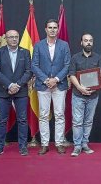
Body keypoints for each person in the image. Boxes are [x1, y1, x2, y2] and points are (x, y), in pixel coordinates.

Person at [32, 19, 71, 155]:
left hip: (59, 85)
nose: (53, 30)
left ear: (58, 29)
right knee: (43, 115)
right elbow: (34, 65)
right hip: (43, 85)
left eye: (55, 27)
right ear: (45, 29)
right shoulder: (38, 45)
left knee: (59, 115)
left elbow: (67, 65)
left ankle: (59, 143)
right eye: (50, 27)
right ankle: (44, 144)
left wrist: (56, 79)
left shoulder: (64, 45)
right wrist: (46, 79)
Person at [0, 30, 32, 157]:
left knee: (23, 120)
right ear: (6, 39)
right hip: (4, 91)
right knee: (2, 120)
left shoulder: (25, 52)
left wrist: (18, 85)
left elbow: (29, 71)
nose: (14, 39)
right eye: (11, 37)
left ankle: (23, 147)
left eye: (16, 37)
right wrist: (9, 85)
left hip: (21, 91)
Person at [68, 33, 101, 157]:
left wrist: (93, 89)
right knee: (77, 121)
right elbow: (71, 75)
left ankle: (84, 144)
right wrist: (80, 88)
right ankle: (77, 146)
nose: (88, 43)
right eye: (86, 40)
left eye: (90, 41)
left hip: (93, 95)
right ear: (81, 43)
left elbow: (100, 76)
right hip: (78, 94)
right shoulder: (75, 58)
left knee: (88, 121)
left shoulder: (98, 58)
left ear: (92, 43)